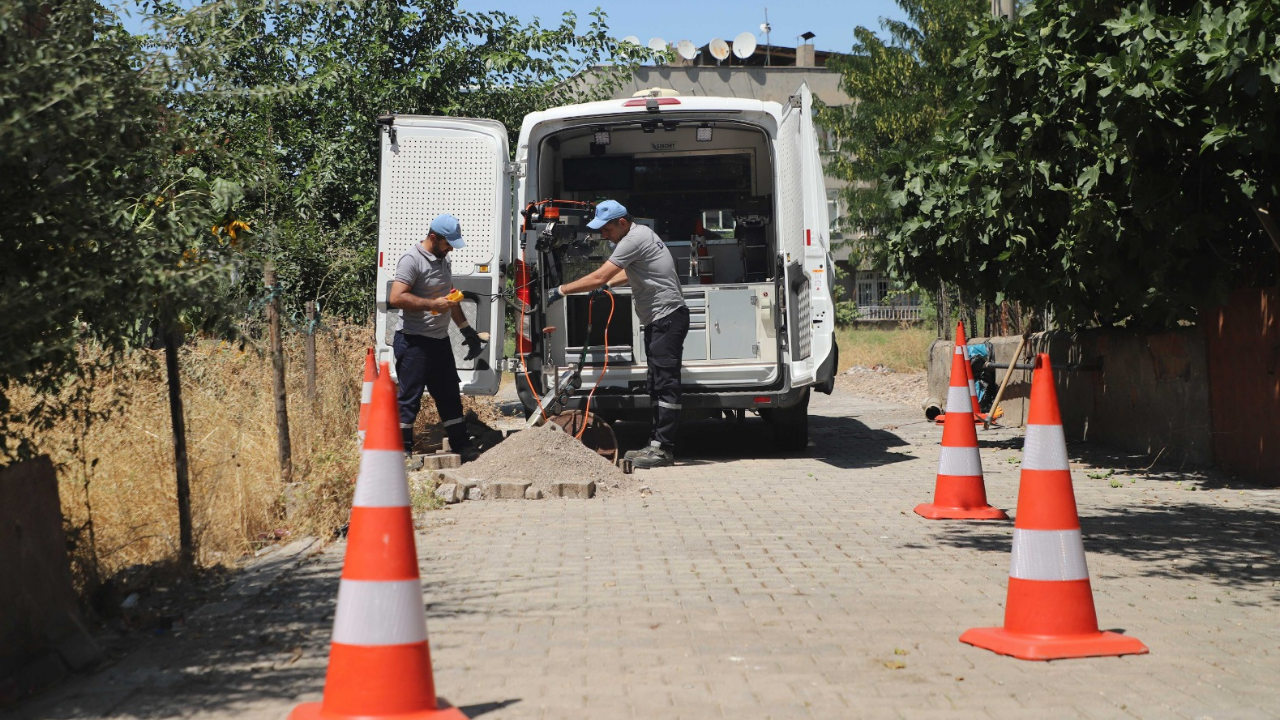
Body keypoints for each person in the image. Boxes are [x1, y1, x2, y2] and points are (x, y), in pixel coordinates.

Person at [547, 200, 688, 468]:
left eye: (607, 229)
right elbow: (630, 272)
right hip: (661, 320)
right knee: (656, 383)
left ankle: (663, 450)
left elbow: (599, 275)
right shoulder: (640, 234)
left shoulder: (633, 238)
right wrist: (610, 285)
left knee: (665, 384)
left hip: (667, 318)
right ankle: (656, 444)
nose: (604, 235)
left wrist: (561, 290)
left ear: (622, 223)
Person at [389, 213, 486, 465]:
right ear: (433, 237)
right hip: (413, 341)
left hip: (439, 340)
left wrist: (467, 331)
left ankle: (462, 445)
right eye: (448, 243)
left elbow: (450, 299)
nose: (451, 247)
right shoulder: (411, 260)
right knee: (410, 399)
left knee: (449, 395)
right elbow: (397, 297)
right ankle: (402, 452)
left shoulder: (443, 260)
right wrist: (431, 303)